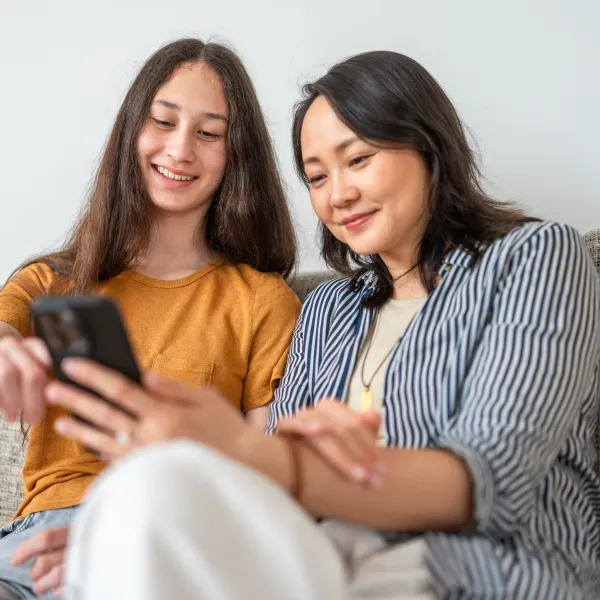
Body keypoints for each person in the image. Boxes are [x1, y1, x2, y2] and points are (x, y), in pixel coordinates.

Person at [41, 51, 600, 599]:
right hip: (323, 566)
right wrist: (132, 532)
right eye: (316, 176)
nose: (338, 195)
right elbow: (267, 493)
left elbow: (490, 483)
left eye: (357, 160)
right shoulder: (328, 308)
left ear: (429, 147)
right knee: (142, 492)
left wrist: (251, 450)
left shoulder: (535, 257)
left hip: (471, 571)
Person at [0, 37, 303, 599]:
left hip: (172, 541)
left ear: (235, 155)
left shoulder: (262, 301)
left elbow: (264, 477)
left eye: (209, 134)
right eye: (163, 122)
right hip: (32, 551)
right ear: (130, 133)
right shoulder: (50, 282)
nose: (180, 149)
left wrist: (129, 539)